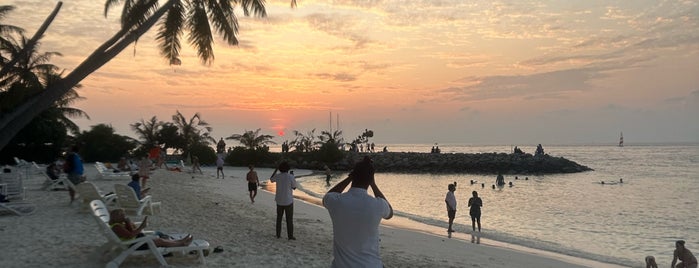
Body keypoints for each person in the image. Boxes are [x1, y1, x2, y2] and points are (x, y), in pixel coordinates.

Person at [323, 156, 393, 267]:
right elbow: (390, 213)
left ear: (353, 176)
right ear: (370, 179)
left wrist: (349, 178)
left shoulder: (337, 202)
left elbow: (328, 196)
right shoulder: (377, 205)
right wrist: (373, 184)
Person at [109, 208, 193, 248]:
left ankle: (180, 241)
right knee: (160, 241)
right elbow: (130, 235)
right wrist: (142, 226)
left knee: (159, 238)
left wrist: (127, 223)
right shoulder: (116, 227)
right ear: (115, 217)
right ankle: (181, 244)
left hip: (136, 240)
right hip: (134, 244)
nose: (124, 216)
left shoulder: (118, 224)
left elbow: (131, 231)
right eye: (122, 215)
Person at [270, 161, 297, 240]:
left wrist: (275, 170)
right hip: (288, 200)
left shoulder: (278, 176)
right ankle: (290, 236)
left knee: (279, 218)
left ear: (280, 169)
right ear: (288, 169)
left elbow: (271, 179)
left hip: (279, 200)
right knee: (289, 219)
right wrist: (293, 176)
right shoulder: (290, 176)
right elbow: (294, 187)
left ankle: (278, 234)